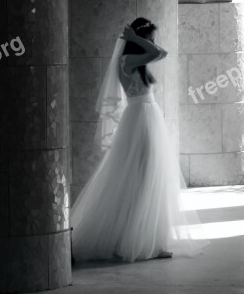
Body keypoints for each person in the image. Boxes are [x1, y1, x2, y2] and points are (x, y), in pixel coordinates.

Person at [71, 18, 206, 262]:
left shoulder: (136, 61)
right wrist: (134, 38)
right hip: (140, 119)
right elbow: (160, 52)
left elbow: (160, 52)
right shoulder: (128, 60)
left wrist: (137, 39)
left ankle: (151, 241)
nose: (151, 42)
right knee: (141, 177)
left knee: (150, 176)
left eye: (151, 38)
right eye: (149, 37)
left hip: (146, 117)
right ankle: (133, 242)